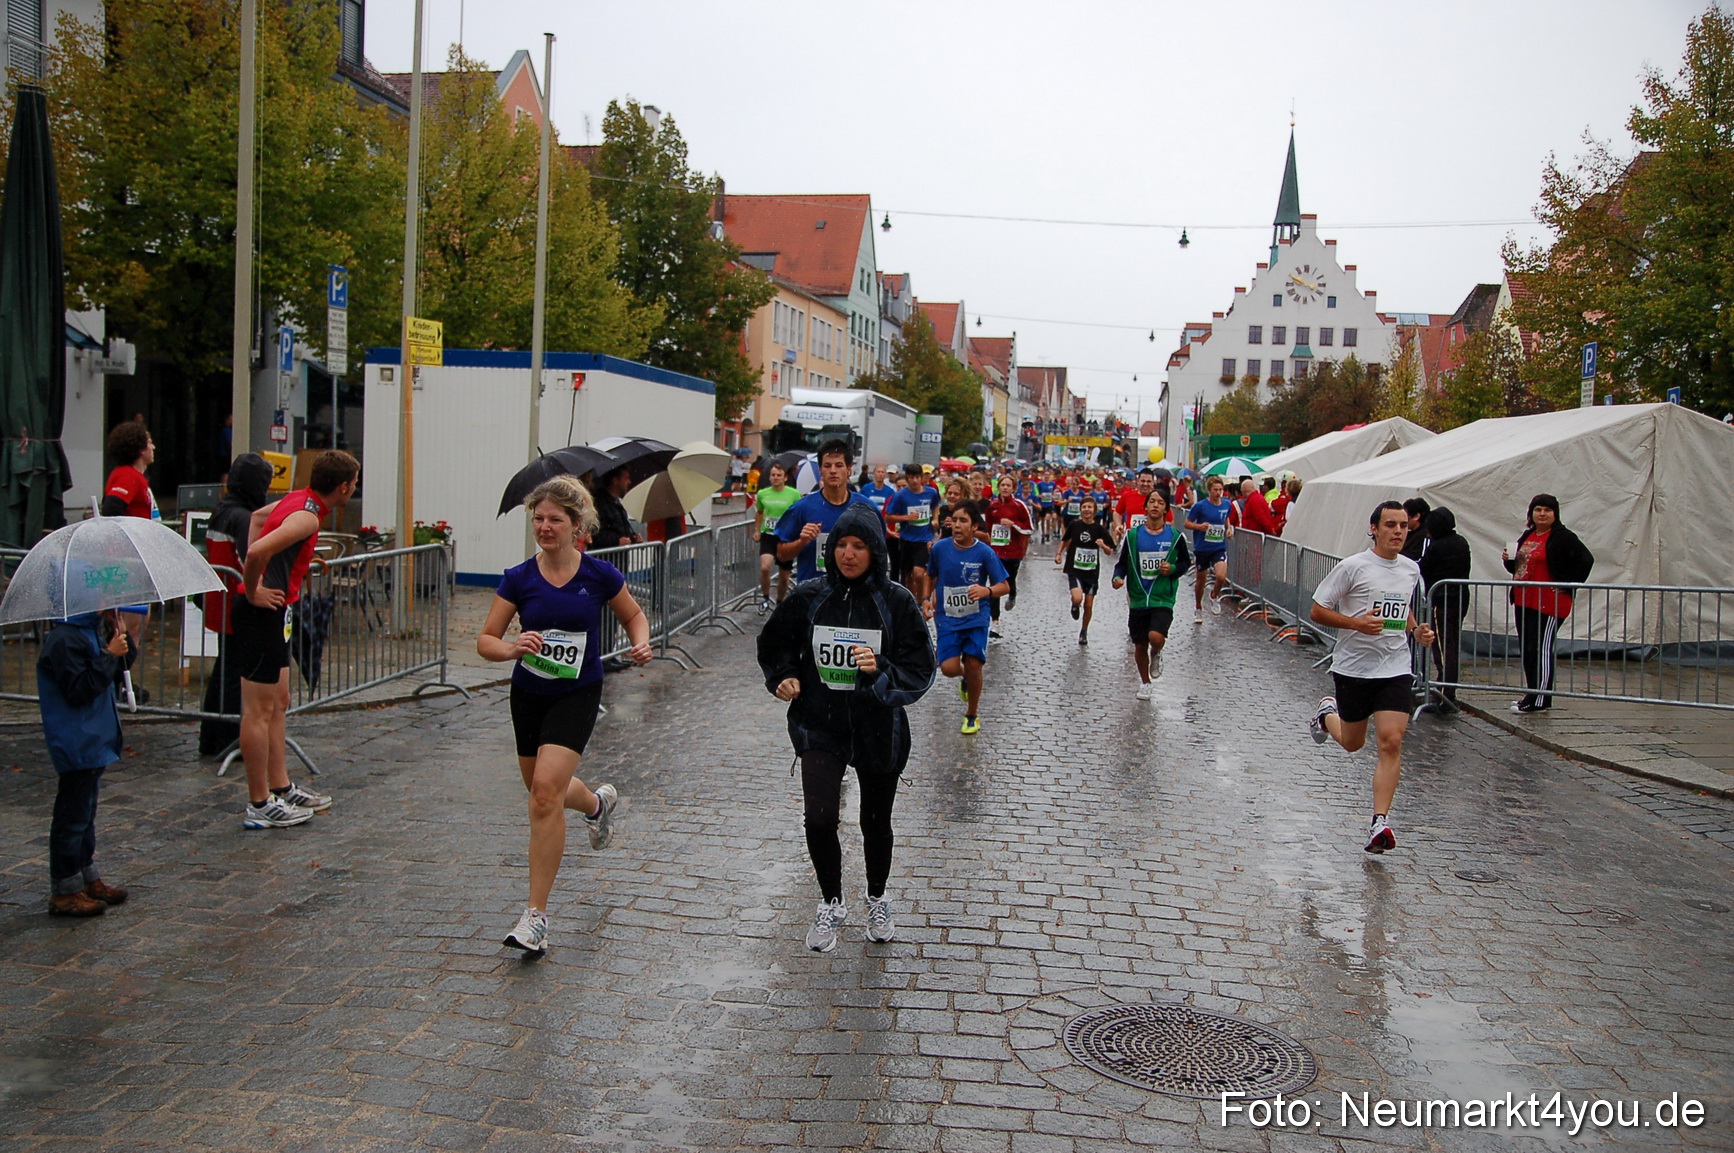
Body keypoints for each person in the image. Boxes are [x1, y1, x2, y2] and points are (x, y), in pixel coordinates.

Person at [478, 475, 653, 956]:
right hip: (529, 692)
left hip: (577, 692)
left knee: (543, 796)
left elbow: (633, 614)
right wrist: (513, 647)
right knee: (542, 789)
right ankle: (597, 806)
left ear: (578, 525)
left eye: (555, 519)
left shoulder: (598, 575)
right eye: (538, 518)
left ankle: (535, 917)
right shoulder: (519, 577)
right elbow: (485, 640)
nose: (545, 526)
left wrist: (640, 641)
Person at [757, 504, 935, 952]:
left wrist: (881, 673)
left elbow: (921, 666)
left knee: (875, 822)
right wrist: (783, 676)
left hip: (879, 728)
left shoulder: (896, 601)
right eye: (841, 545)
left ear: (875, 551)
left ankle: (877, 896)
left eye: (859, 546)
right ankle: (832, 902)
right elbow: (774, 643)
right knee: (818, 819)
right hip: (821, 724)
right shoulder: (809, 596)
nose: (848, 555)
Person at [234, 450, 359, 830]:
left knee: (279, 702)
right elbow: (257, 549)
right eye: (354, 482)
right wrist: (252, 588)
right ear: (343, 486)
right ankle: (258, 802)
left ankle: (281, 786)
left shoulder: (301, 501)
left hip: (277, 611)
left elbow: (258, 520)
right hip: (262, 612)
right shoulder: (306, 516)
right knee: (258, 710)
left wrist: (297, 564)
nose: (354, 488)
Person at [1307, 501, 1436, 854]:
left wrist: (1417, 631)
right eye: (1390, 525)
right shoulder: (1353, 567)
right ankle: (1325, 715)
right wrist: (1356, 624)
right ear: (1374, 529)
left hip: (1395, 667)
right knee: (1352, 742)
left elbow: (1401, 606)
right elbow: (1318, 609)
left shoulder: (1410, 569)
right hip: (1354, 668)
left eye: (1403, 526)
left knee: (1391, 741)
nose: (1398, 531)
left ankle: (1380, 822)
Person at [37, 607, 133, 917]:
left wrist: (120, 637)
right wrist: (108, 654)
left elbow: (121, 669)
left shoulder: (89, 631)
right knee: (72, 815)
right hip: (76, 738)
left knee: (85, 812)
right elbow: (80, 689)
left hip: (93, 736)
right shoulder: (64, 639)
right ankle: (65, 888)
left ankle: (85, 876)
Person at [200, 453, 275, 755]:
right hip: (237, 603)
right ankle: (230, 738)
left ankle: (211, 737)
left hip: (220, 601)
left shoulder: (222, 511)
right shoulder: (244, 518)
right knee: (234, 675)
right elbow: (249, 560)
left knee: (224, 671)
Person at [1502, 494, 1594, 713]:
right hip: (1524, 600)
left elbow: (1586, 559)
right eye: (1538, 509)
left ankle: (1542, 699)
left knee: (1541, 649)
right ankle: (1532, 694)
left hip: (1549, 602)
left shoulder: (1562, 537)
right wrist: (1510, 560)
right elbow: (1520, 567)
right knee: (1528, 649)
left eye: (1547, 510)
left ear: (1555, 514)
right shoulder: (1529, 534)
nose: (1542, 514)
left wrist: (1569, 583)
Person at [926, 503, 1009, 734]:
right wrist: (925, 598)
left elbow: (1004, 585)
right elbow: (930, 575)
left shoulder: (984, 552)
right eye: (954, 520)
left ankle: (972, 714)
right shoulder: (940, 549)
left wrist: (987, 591)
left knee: (974, 663)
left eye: (963, 521)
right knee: (948, 667)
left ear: (974, 526)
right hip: (947, 617)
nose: (957, 525)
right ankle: (966, 677)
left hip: (976, 617)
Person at [1112, 489, 1192, 700]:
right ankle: (1145, 683)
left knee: (1155, 637)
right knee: (1139, 643)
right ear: (1145, 507)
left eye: (1160, 502)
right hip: (1138, 598)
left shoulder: (1175, 537)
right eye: (1152, 502)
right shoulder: (1133, 536)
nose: (1155, 505)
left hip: (1162, 597)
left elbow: (1186, 563)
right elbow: (1122, 565)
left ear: (1166, 508)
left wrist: (1173, 569)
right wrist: (1117, 578)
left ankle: (1156, 652)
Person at [100, 423, 160, 676]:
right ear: (139, 448)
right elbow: (113, 507)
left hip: (135, 561)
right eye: (149, 441)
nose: (153, 446)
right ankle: (112, 678)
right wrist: (127, 547)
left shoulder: (136, 477)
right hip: (127, 563)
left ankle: (119, 679)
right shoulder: (127, 475)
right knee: (127, 625)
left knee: (137, 622)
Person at [776, 439, 879, 584]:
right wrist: (802, 541)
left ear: (849, 469)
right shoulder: (801, 508)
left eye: (839, 465)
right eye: (827, 465)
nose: (833, 471)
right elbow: (781, 554)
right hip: (813, 595)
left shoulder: (866, 508)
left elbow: (879, 554)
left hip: (854, 595)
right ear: (820, 470)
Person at [1418, 506, 1472, 705]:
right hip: (1459, 598)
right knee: (1451, 644)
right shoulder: (1460, 541)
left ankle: (1444, 693)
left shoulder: (1439, 546)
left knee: (1442, 647)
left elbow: (1425, 568)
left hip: (1442, 599)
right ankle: (1447, 690)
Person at [1055, 494, 1114, 645]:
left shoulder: (1099, 529)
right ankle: (1075, 605)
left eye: (1090, 507)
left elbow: (1110, 551)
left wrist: (1103, 545)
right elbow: (1065, 539)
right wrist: (1058, 554)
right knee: (1077, 598)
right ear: (1080, 509)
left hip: (1092, 572)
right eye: (1084, 507)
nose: (1087, 510)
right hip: (1074, 568)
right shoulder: (1075, 525)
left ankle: (1084, 631)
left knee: (1088, 605)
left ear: (1094, 510)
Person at [985, 477, 1032, 637]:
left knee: (1009, 581)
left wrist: (1014, 525)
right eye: (1002, 485)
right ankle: (995, 621)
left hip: (1014, 552)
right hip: (996, 552)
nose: (1005, 488)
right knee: (996, 584)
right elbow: (989, 527)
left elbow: (1029, 529)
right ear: (998, 487)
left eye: (1008, 485)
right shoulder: (993, 506)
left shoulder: (1019, 506)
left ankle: (1012, 594)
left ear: (1013, 488)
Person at [883, 464, 937, 602]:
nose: (914, 481)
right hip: (906, 539)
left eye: (917, 477)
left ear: (922, 478)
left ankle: (920, 601)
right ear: (907, 478)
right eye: (911, 477)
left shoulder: (931, 493)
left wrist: (935, 519)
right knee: (907, 576)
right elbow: (888, 517)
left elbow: (935, 506)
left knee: (918, 574)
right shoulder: (900, 496)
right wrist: (906, 518)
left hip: (924, 539)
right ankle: (910, 601)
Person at [1185, 476, 1234, 621]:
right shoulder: (1200, 506)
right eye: (1215, 490)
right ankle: (1198, 607)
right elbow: (1187, 523)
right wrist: (1199, 526)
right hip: (1202, 548)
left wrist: (1229, 528)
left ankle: (1214, 595)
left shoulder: (1226, 504)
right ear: (1209, 490)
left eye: (1220, 490)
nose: (1218, 493)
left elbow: (1225, 518)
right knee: (1201, 580)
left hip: (1219, 547)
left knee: (1221, 576)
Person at [753, 463, 800, 611]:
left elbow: (797, 514)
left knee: (784, 576)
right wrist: (757, 530)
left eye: (779, 475)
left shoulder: (793, 494)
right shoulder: (763, 494)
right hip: (768, 535)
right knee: (765, 567)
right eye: (773, 475)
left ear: (785, 478)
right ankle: (765, 598)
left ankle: (780, 602)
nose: (775, 478)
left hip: (786, 537)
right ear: (770, 478)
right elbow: (760, 512)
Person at [589, 467, 640, 549]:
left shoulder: (616, 503)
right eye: (626, 478)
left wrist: (633, 538)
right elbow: (596, 533)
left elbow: (620, 529)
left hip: (618, 558)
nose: (629, 482)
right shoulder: (600, 503)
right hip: (606, 557)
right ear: (615, 481)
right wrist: (616, 541)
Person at [1112, 470, 1158, 540]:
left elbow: (1169, 520)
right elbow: (1117, 512)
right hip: (1131, 538)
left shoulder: (1159, 498)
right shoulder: (1127, 496)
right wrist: (1118, 525)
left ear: (1153, 483)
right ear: (1137, 481)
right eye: (1143, 481)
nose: (1145, 484)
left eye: (1148, 481)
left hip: (1152, 539)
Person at [1400, 498, 1431, 562]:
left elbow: (1420, 559)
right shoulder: (1409, 533)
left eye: (1405, 516)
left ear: (1416, 516)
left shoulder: (1426, 536)